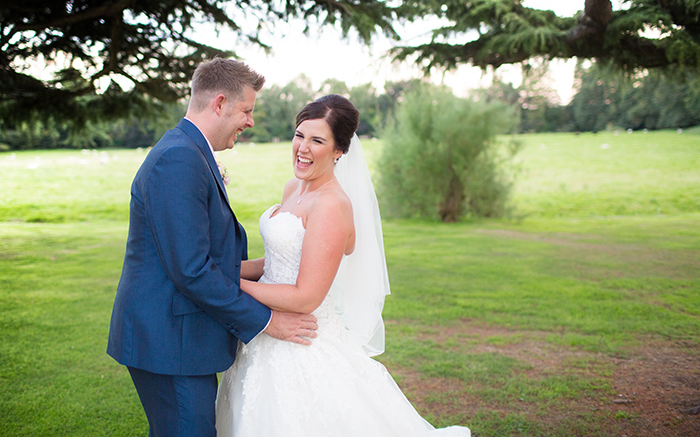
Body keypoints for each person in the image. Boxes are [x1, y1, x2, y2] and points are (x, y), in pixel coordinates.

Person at [215, 94, 470, 436]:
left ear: (338, 151)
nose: (302, 148)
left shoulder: (332, 205)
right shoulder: (295, 188)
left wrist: (227, 283)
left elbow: (306, 296)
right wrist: (223, 268)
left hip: (300, 338)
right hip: (265, 332)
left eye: (317, 140)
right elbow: (279, 261)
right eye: (299, 135)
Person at [107, 58, 318, 437]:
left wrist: (274, 265)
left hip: (177, 336)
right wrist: (269, 321)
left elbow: (204, 254)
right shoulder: (179, 159)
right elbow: (192, 270)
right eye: (247, 110)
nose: (251, 121)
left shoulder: (191, 151)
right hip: (170, 342)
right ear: (219, 103)